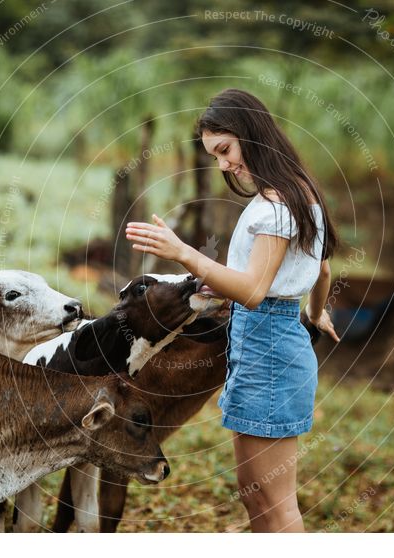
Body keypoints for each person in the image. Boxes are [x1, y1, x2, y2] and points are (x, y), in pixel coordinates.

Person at [125, 88, 340, 533]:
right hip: (258, 342)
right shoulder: (286, 196)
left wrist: (185, 253)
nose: (223, 164)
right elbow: (320, 270)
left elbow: (257, 290)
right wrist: (316, 314)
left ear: (250, 132)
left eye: (225, 150)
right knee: (253, 487)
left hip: (271, 348)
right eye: (215, 156)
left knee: (277, 503)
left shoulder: (279, 206)